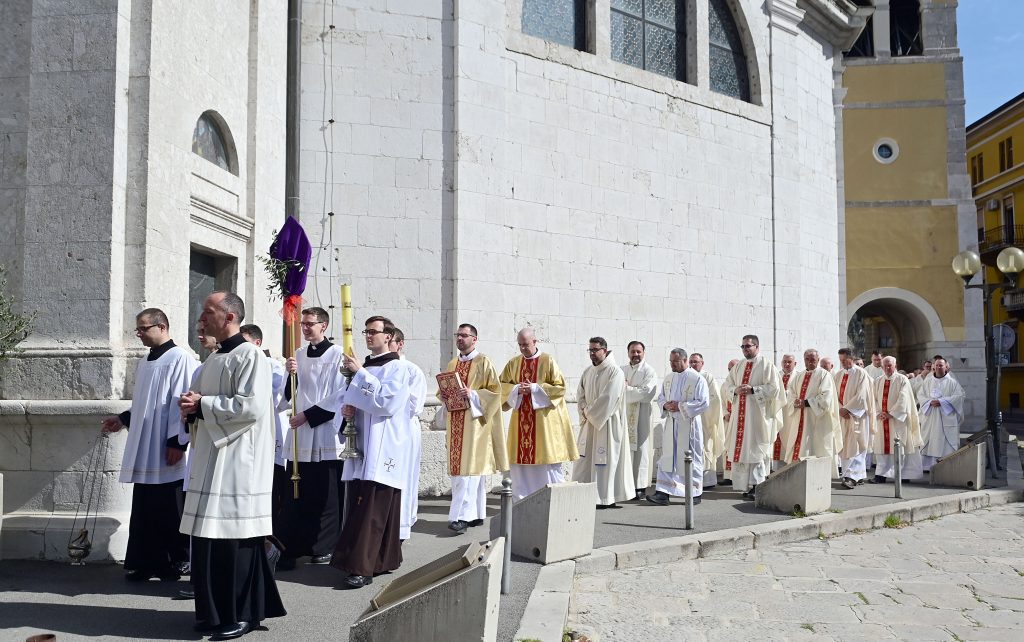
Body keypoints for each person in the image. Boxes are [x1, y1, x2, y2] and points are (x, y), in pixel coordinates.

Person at [178, 292, 285, 639]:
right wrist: (189, 408)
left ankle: (240, 614)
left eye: (208, 311)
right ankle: (212, 612)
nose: (202, 317)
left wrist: (203, 404)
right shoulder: (213, 358)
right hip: (212, 456)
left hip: (239, 461)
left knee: (234, 541)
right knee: (210, 540)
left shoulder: (250, 355)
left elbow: (250, 408)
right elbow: (197, 400)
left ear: (229, 316)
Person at [101, 308, 196, 582]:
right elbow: (145, 403)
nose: (139, 334)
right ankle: (146, 561)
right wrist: (122, 418)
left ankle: (178, 559)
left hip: (167, 447)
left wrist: (177, 441)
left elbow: (182, 402)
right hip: (146, 448)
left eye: (143, 329)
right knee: (144, 507)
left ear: (162, 326)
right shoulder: (145, 361)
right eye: (138, 329)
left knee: (170, 507)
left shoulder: (181, 359)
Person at [331, 316, 414, 589]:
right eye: (365, 331)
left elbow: (387, 404)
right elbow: (350, 398)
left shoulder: (397, 369)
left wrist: (360, 375)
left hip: (384, 445)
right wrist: (346, 411)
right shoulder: (365, 366)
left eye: (373, 331)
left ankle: (362, 567)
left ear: (388, 336)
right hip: (362, 444)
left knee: (374, 509)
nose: (368, 336)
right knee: (361, 504)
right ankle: (381, 560)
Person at [278, 307, 346, 570]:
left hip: (324, 429)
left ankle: (325, 546)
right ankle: (295, 546)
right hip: (301, 433)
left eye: (310, 324)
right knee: (299, 493)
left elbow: (340, 394)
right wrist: (291, 374)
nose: (305, 328)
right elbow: (287, 395)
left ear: (324, 326)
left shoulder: (337, 354)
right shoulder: (297, 355)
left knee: (327, 494)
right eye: (303, 324)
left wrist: (309, 415)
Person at [440, 324, 509, 534]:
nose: (459, 338)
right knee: (468, 472)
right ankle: (477, 513)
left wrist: (473, 394)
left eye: (464, 335)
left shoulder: (483, 362)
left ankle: (460, 517)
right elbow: (445, 389)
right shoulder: (453, 363)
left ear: (474, 339)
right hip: (456, 422)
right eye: (457, 335)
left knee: (468, 472)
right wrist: (444, 396)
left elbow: (496, 393)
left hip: (475, 424)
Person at [499, 328, 579, 500]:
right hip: (520, 423)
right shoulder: (514, 363)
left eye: (526, 345)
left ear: (535, 342)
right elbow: (501, 386)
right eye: (519, 345)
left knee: (547, 465)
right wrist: (516, 389)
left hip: (543, 426)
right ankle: (520, 502)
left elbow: (560, 388)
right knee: (519, 467)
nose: (522, 349)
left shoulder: (548, 361)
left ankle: (552, 501)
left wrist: (535, 388)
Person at [240, 324, 289, 553]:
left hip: (268, 433)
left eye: (245, 341)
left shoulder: (272, 367)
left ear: (257, 343)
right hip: (245, 436)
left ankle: (272, 543)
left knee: (271, 489)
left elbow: (276, 398)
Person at [572, 337, 633, 508]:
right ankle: (583, 493)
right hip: (590, 422)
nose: (591, 353)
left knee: (606, 459)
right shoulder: (588, 372)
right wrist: (584, 410)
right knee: (584, 460)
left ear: (604, 350)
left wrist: (588, 412)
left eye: (595, 350)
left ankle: (605, 497)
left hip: (607, 423)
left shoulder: (615, 372)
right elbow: (580, 394)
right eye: (590, 350)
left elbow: (608, 399)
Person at [722, 336, 783, 499]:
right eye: (742, 346)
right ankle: (746, 485)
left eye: (748, 346)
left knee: (756, 450)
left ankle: (758, 486)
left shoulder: (766, 365)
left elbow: (775, 389)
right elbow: (726, 386)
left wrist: (753, 390)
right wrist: (735, 390)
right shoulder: (739, 366)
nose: (745, 349)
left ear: (757, 346)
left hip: (758, 417)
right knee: (743, 450)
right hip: (741, 417)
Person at [649, 349, 709, 506]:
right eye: (670, 361)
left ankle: (694, 493)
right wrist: (665, 405)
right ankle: (663, 493)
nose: (672, 364)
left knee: (690, 458)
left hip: (688, 425)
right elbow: (661, 397)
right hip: (671, 424)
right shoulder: (668, 378)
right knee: (667, 457)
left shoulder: (697, 379)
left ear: (685, 360)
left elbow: (703, 402)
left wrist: (681, 406)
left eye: (675, 361)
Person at [388, 327, 426, 541]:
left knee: (406, 476)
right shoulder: (380, 368)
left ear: (400, 344)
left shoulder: (412, 370)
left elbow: (415, 405)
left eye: (390, 341)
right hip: (385, 430)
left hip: (405, 428)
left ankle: (403, 523)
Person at [781, 349, 841, 467]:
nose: (809, 362)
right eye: (807, 359)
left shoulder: (824, 375)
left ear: (818, 360)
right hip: (799, 418)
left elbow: (826, 397)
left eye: (812, 360)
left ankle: (816, 474)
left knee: (815, 446)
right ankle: (797, 472)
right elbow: (792, 393)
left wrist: (807, 403)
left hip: (816, 419)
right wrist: (795, 402)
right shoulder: (799, 376)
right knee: (799, 444)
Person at [872, 356, 924, 482]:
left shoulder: (902, 380)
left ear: (895, 365)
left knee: (899, 447)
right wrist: (878, 412)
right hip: (882, 419)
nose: (887, 368)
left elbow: (903, 399)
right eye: (884, 366)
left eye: (889, 365)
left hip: (897, 420)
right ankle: (881, 475)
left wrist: (891, 414)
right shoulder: (878, 380)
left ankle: (902, 475)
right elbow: (873, 399)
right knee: (882, 448)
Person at [622, 341, 659, 500]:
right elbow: (615, 389)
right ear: (628, 352)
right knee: (626, 450)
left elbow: (646, 392)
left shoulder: (649, 371)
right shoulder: (621, 370)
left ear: (644, 353)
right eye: (632, 351)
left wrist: (627, 389)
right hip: (625, 414)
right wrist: (630, 391)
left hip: (642, 414)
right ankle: (626, 484)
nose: (635, 355)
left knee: (642, 450)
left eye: (638, 352)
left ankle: (640, 486)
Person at [835, 348, 876, 489]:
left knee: (857, 445)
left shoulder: (861, 374)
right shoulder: (838, 375)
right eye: (840, 360)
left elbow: (862, 396)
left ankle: (852, 476)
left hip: (857, 416)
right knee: (845, 445)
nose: (842, 363)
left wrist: (848, 409)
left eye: (844, 360)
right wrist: (840, 409)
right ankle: (854, 475)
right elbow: (834, 394)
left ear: (851, 359)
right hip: (842, 415)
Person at [916, 357, 965, 470]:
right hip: (931, 417)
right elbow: (920, 395)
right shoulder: (928, 381)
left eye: (941, 365)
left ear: (946, 367)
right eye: (936, 365)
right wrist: (929, 402)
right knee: (929, 440)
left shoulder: (952, 382)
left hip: (945, 417)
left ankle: (946, 466)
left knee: (946, 443)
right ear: (933, 367)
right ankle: (928, 467)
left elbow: (960, 396)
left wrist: (942, 402)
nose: (938, 367)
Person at [689, 352, 724, 489]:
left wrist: (699, 405)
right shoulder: (687, 377)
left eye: (695, 362)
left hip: (705, 418)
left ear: (702, 363)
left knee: (706, 447)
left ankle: (708, 480)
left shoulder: (707, 377)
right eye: (691, 361)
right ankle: (692, 479)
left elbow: (714, 398)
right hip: (690, 417)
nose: (692, 364)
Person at [772, 354, 800, 468]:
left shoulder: (799, 377)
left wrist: (787, 395)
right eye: (784, 362)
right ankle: (776, 469)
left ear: (795, 364)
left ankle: (790, 466)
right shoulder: (775, 375)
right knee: (776, 440)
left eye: (789, 362)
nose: (786, 364)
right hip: (777, 412)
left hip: (791, 415)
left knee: (790, 439)